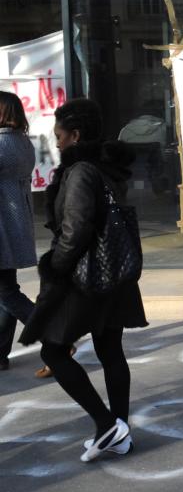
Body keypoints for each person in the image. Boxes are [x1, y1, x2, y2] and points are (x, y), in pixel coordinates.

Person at [18, 98, 146, 462]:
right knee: (110, 350)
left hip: (86, 274)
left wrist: (55, 268)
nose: (56, 143)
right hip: (115, 272)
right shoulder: (107, 168)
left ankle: (107, 425)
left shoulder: (80, 172)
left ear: (75, 135)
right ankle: (119, 431)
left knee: (53, 351)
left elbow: (76, 229)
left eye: (59, 136)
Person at [0, 91, 38, 371]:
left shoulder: (1, 144)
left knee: (6, 293)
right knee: (6, 290)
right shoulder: (23, 142)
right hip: (15, 224)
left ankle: (54, 335)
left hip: (2, 226)